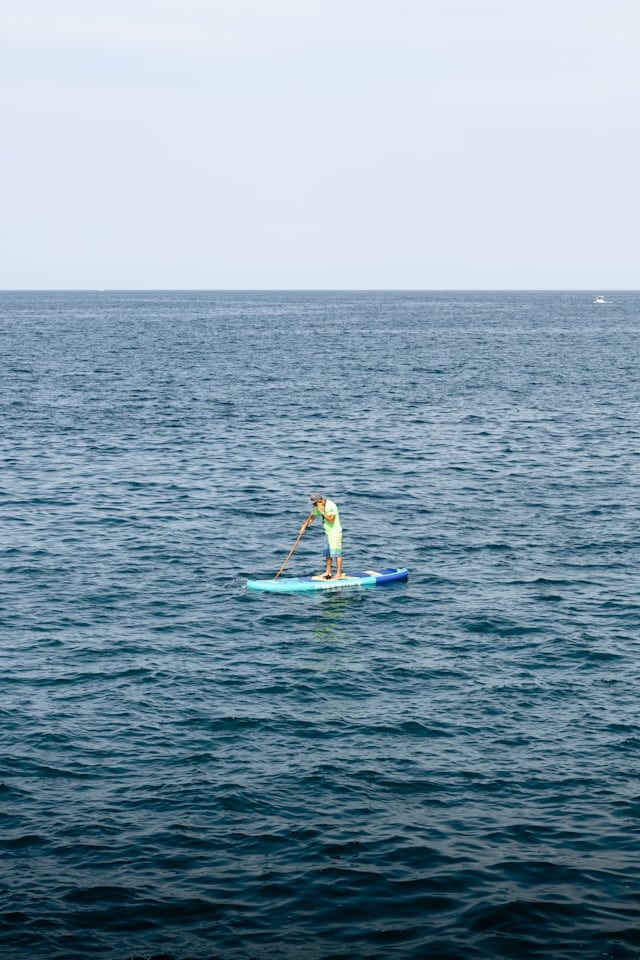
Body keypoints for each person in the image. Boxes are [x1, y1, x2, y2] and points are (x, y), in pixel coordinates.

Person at [300, 492, 344, 579]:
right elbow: (311, 518)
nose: (314, 505)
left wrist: (322, 512)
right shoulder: (318, 507)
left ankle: (338, 573)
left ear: (320, 501)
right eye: (313, 504)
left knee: (336, 553)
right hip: (327, 532)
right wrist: (304, 526)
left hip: (335, 533)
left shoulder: (331, 506)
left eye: (315, 503)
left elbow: (331, 520)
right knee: (327, 553)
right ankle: (328, 572)